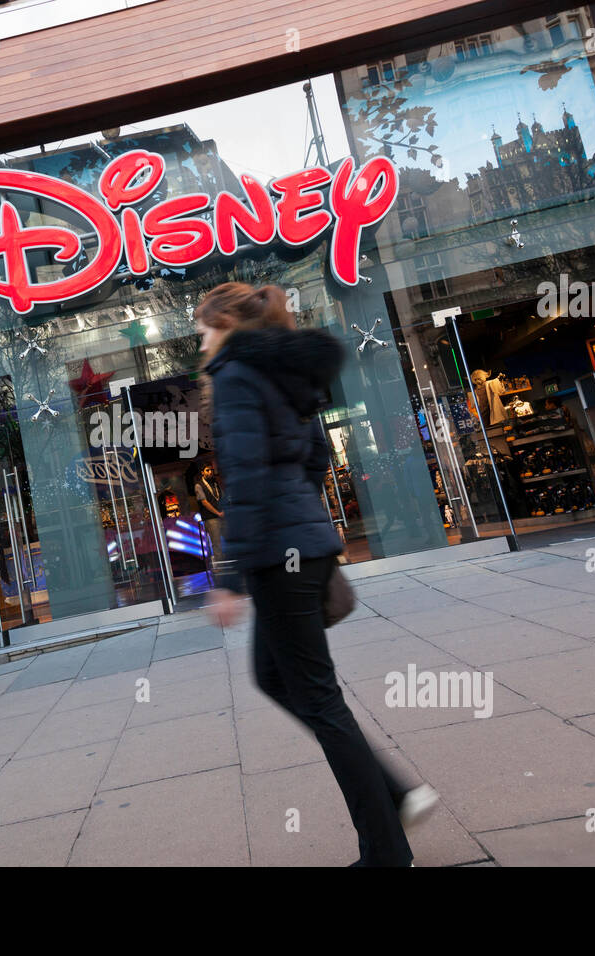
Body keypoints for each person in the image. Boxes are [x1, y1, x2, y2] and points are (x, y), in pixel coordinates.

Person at [196, 282, 437, 867]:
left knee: (320, 701)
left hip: (280, 554)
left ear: (227, 324)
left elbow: (246, 483)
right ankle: (396, 795)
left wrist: (227, 577)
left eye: (203, 327)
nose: (199, 339)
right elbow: (316, 461)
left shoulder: (234, 377)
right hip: (304, 544)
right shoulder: (287, 377)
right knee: (274, 676)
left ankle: (387, 850)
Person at [193, 461, 224, 567]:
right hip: (211, 518)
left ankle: (230, 562)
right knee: (216, 544)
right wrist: (218, 513)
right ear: (202, 472)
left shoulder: (215, 483)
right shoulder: (199, 485)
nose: (210, 472)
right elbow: (204, 503)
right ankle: (221, 566)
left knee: (228, 539)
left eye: (211, 470)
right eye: (207, 470)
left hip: (221, 515)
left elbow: (221, 497)